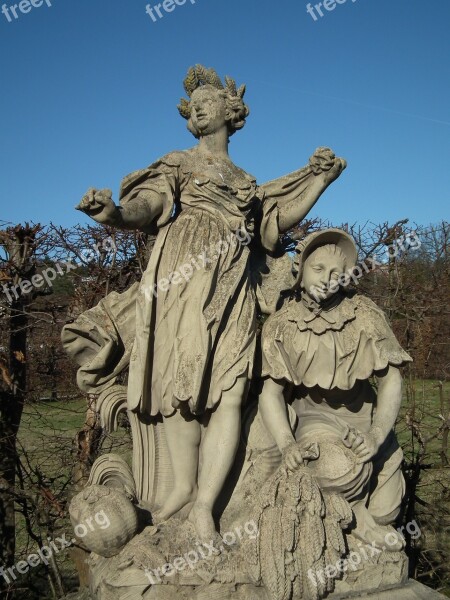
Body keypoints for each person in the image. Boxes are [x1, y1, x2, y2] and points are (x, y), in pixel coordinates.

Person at [75, 65, 346, 541]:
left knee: (230, 389)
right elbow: (150, 206)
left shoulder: (246, 181)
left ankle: (204, 507)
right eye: (192, 103)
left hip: (235, 284)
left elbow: (274, 223)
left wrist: (320, 182)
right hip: (183, 279)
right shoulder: (180, 163)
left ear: (231, 110)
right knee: (180, 385)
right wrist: (114, 214)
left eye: (208, 99)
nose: (198, 106)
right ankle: (181, 489)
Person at [258, 228, 412, 548]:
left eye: (336, 273)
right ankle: (355, 518)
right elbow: (271, 393)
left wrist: (377, 434)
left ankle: (368, 518)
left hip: (366, 421)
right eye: (318, 269)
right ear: (300, 272)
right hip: (315, 420)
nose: (327, 279)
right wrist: (288, 444)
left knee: (388, 509)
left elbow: (391, 378)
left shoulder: (364, 314)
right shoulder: (281, 325)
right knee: (338, 467)